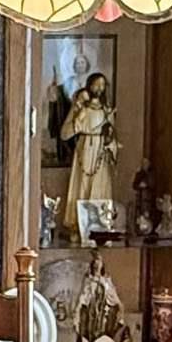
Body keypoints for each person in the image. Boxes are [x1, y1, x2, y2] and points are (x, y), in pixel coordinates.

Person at [56, 70, 119, 241]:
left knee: (100, 186)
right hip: (84, 150)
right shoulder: (80, 108)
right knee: (81, 186)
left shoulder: (106, 111)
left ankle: (100, 224)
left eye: (102, 85)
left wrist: (111, 144)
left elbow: (112, 136)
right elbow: (64, 134)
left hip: (100, 154)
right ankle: (77, 224)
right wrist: (78, 119)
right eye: (96, 84)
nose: (99, 88)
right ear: (89, 86)